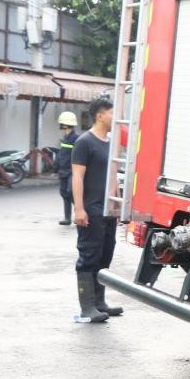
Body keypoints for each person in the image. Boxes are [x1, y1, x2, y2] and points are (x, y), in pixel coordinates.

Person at [71, 97, 123, 323]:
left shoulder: (110, 143)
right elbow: (77, 177)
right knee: (89, 256)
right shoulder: (85, 142)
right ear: (100, 115)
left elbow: (113, 176)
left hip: (107, 210)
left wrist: (118, 202)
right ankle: (87, 307)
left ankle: (100, 302)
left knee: (105, 254)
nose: (115, 118)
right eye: (112, 113)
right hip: (90, 209)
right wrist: (79, 209)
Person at [56, 111, 79, 226]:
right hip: (63, 170)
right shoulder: (65, 138)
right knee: (64, 193)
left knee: (71, 192)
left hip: (72, 171)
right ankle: (67, 218)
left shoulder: (76, 138)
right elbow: (62, 153)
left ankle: (80, 213)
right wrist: (56, 167)